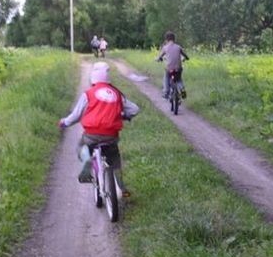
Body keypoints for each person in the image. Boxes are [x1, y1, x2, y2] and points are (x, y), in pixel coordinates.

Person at [58, 61, 139, 196]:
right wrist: (123, 115)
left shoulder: (89, 94)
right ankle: (121, 187)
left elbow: (76, 115)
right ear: (108, 79)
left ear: (93, 79)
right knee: (114, 160)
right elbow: (135, 109)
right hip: (111, 136)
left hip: (91, 135)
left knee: (81, 147)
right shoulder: (116, 94)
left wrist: (64, 123)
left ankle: (86, 162)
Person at [156, 31, 189, 99]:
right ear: (174, 39)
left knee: (166, 78)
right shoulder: (178, 47)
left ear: (166, 39)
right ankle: (182, 90)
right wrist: (186, 58)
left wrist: (158, 59)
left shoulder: (165, 47)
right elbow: (185, 55)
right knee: (179, 79)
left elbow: (160, 57)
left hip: (169, 69)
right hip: (178, 69)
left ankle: (166, 92)